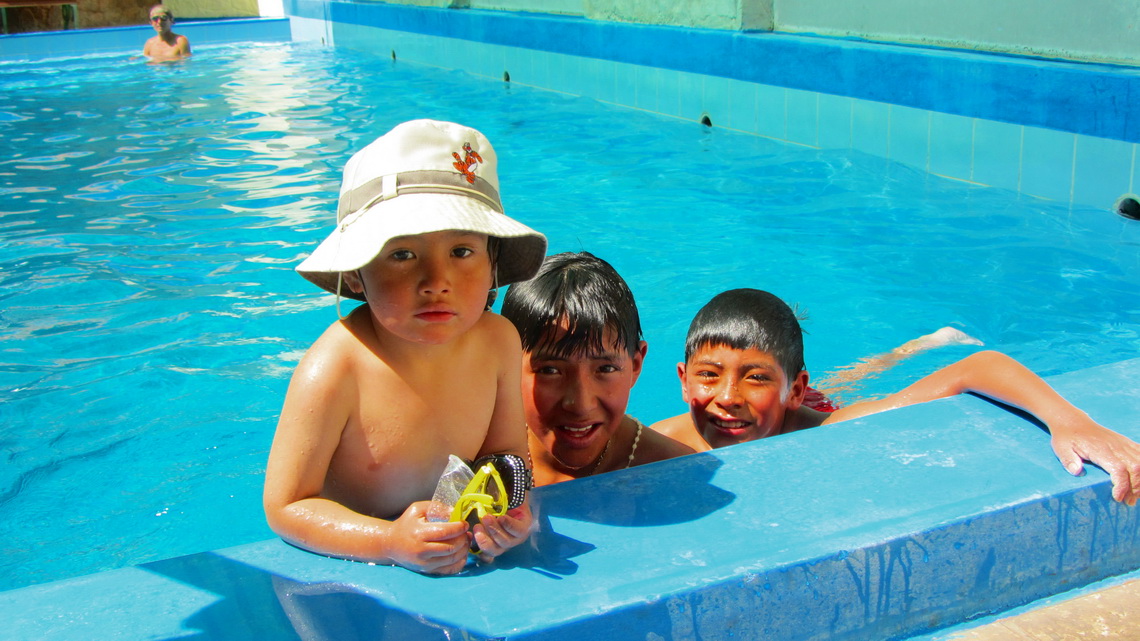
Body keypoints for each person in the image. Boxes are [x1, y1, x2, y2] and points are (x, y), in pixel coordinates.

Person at [263, 120, 549, 574]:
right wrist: (387, 541)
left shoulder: (498, 341)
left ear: (493, 261)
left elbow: (507, 455)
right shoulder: (337, 366)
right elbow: (288, 506)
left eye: (461, 252)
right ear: (356, 273)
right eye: (402, 255)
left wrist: (505, 513)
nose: (437, 282)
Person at [650, 288, 1140, 505]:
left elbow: (977, 367)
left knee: (850, 384)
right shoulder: (657, 442)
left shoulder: (827, 427)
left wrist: (1072, 422)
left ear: (793, 387)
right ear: (683, 379)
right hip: (780, 406)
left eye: (753, 377)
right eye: (708, 376)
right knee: (846, 376)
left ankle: (918, 345)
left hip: (805, 411)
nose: (726, 397)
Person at [500, 252, 695, 485]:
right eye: (550, 370)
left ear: (635, 365)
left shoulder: (674, 473)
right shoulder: (473, 459)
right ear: (505, 366)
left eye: (605, 369)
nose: (581, 405)